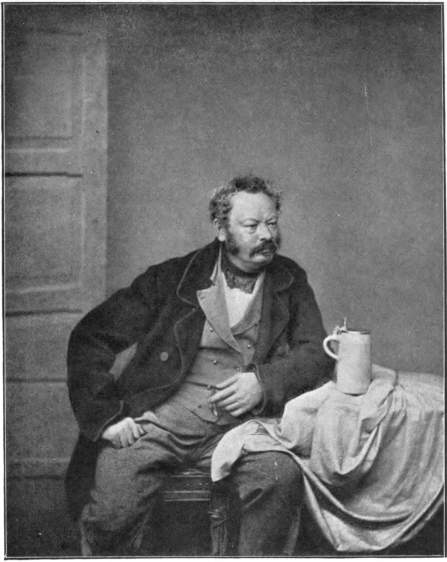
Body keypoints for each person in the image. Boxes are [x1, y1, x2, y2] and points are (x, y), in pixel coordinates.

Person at [66, 174, 334, 555]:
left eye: (272, 223)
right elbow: (91, 336)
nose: (266, 235)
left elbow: (316, 353)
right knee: (111, 513)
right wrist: (107, 416)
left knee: (280, 477)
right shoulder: (173, 277)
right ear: (221, 229)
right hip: (159, 424)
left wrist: (263, 382)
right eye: (252, 225)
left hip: (244, 430)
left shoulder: (289, 279)